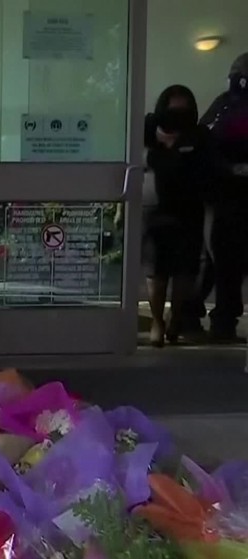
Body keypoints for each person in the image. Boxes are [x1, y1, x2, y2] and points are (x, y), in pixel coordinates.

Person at [181, 53, 248, 342]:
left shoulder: (225, 104)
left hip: (224, 193)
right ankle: (214, 319)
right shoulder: (226, 106)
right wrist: (232, 168)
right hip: (223, 193)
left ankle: (198, 315)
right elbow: (208, 143)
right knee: (222, 259)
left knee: (218, 259)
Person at [142, 85, 211, 346]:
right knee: (156, 271)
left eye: (184, 110)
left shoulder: (198, 135)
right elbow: (139, 158)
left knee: (185, 271)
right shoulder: (148, 130)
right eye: (173, 109)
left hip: (188, 210)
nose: (178, 116)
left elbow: (206, 168)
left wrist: (173, 154)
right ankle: (157, 321)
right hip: (154, 210)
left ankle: (176, 316)